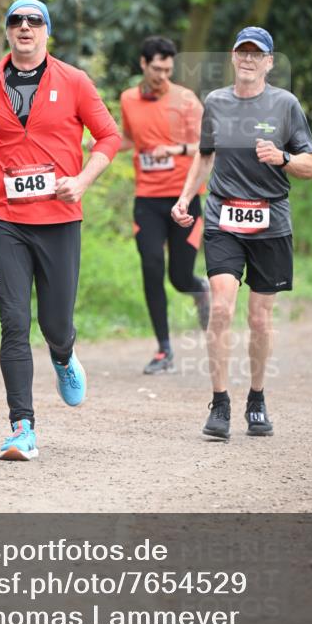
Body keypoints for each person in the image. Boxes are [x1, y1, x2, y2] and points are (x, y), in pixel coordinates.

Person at [0, 0, 121, 460]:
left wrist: (82, 181)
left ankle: (63, 354)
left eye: (34, 20)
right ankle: (22, 427)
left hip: (60, 221)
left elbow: (109, 136)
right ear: (7, 31)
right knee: (13, 323)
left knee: (55, 324)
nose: (25, 27)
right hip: (7, 221)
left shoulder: (74, 81)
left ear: (47, 31)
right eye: (16, 20)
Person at [171, 26, 312, 440]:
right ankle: (220, 403)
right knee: (221, 308)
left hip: (271, 221)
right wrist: (185, 199)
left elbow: (311, 165)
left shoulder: (285, 105)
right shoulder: (216, 102)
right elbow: (204, 157)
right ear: (234, 57)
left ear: (269, 62)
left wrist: (283, 158)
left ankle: (257, 398)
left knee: (259, 318)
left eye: (257, 54)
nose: (249, 59)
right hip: (224, 219)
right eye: (243, 52)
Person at [119, 36, 210, 374]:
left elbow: (207, 145)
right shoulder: (128, 99)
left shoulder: (185, 100)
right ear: (143, 64)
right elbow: (129, 138)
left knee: (179, 277)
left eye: (168, 70)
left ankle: (199, 289)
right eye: (157, 69)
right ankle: (164, 350)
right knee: (152, 266)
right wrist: (99, 145)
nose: (162, 76)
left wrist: (174, 150)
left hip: (185, 199)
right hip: (147, 199)